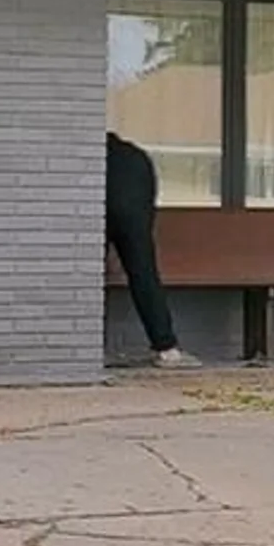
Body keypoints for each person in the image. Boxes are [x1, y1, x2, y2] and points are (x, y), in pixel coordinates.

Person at [105, 133, 197, 369]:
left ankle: (90, 346)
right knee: (145, 277)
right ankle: (166, 347)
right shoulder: (136, 156)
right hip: (135, 223)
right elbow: (148, 199)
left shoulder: (91, 155)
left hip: (99, 215)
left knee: (87, 280)